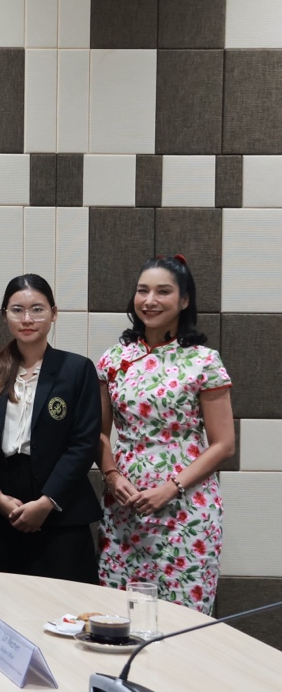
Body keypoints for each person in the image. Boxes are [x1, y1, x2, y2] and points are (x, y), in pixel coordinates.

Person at [97, 255, 234, 614]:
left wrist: (171, 488)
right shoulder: (114, 359)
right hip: (124, 507)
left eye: (163, 291)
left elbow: (224, 444)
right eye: (143, 291)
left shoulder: (204, 360)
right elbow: (99, 433)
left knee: (181, 619)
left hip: (185, 508)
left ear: (184, 300)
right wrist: (111, 476)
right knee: (120, 616)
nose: (150, 300)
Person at [0, 274, 101, 583]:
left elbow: (84, 443)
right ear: (4, 314)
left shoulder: (77, 369)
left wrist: (47, 502)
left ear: (54, 314)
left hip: (61, 511)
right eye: (17, 310)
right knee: (3, 608)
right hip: (2, 510)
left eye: (37, 309)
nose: (27, 319)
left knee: (67, 612)